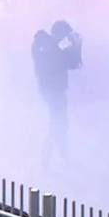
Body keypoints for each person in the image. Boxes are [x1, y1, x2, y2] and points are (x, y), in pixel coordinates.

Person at [31, 20, 82, 164]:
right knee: (58, 123)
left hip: (56, 90)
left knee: (61, 123)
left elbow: (73, 64)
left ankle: (60, 155)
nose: (65, 38)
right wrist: (70, 47)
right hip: (51, 91)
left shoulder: (52, 46)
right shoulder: (43, 43)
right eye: (64, 35)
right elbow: (58, 62)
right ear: (57, 33)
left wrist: (76, 47)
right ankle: (47, 159)